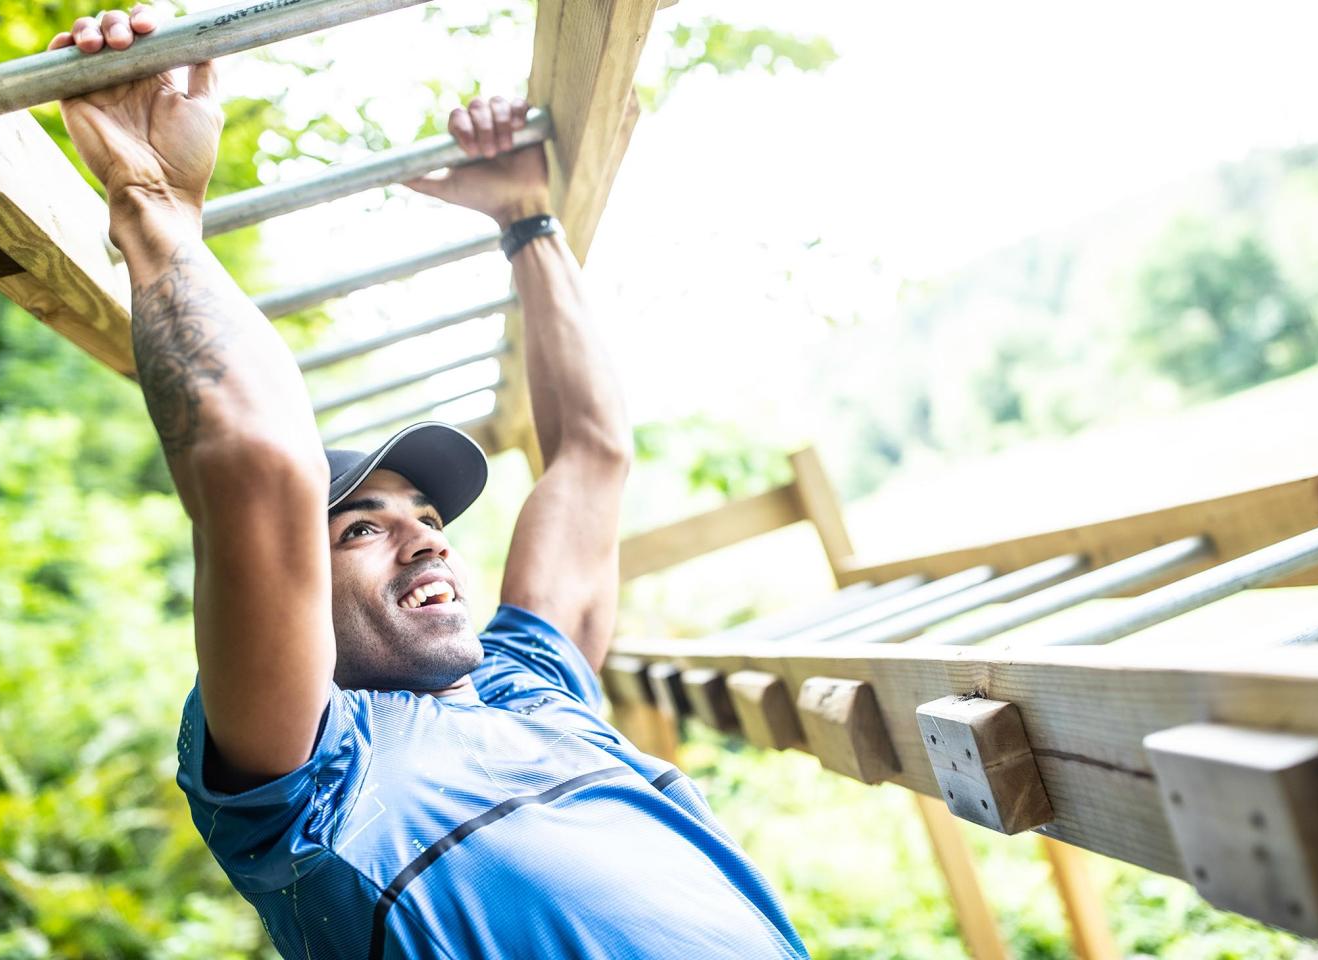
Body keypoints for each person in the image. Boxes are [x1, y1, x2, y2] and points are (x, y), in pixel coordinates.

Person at [48, 8, 808, 959]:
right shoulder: (313, 776)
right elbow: (258, 468)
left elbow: (593, 451)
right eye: (361, 528)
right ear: (287, 591)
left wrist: (527, 218)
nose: (427, 536)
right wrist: (152, 200)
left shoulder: (529, 685)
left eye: (427, 514)